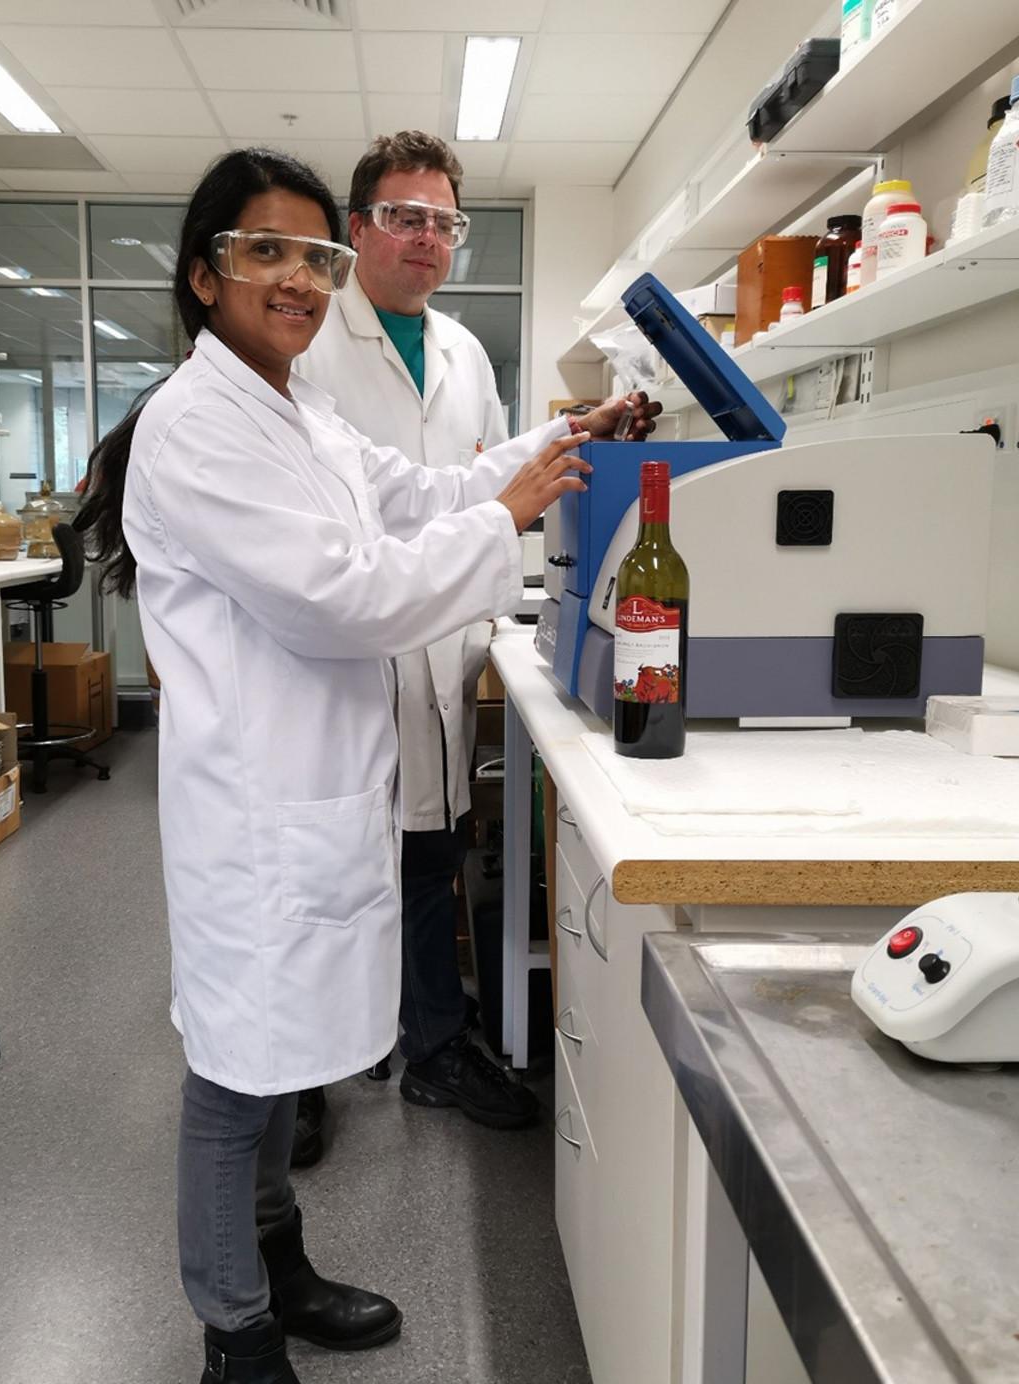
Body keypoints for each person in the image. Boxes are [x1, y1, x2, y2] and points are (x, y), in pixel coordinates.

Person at [76, 146, 653, 1384]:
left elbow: (424, 490)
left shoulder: (301, 414)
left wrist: (562, 440)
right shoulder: (196, 427)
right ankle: (235, 1337)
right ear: (205, 274)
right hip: (252, 808)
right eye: (265, 251)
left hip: (316, 791)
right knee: (234, 1079)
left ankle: (276, 1270)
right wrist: (505, 519)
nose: (298, 277)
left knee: (277, 1068)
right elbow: (341, 596)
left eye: (313, 257)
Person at [292, 131, 660, 1158]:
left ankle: (434, 1045)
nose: (426, 237)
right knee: (330, 865)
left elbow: (476, 480)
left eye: (443, 221)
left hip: (441, 646)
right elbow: (380, 512)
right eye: (403, 216)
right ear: (359, 227)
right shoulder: (309, 342)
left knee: (429, 853)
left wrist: (575, 433)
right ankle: (305, 1073)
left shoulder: (461, 352)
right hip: (344, 648)